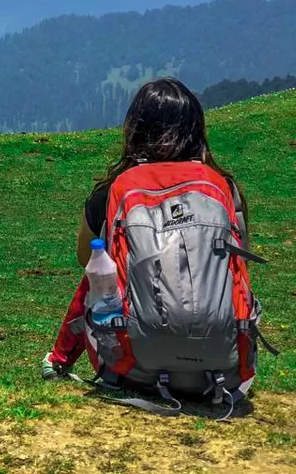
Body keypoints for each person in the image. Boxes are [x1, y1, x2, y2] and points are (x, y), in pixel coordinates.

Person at [41, 77, 248, 380]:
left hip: (132, 366)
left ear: (134, 130)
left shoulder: (112, 193)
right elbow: (241, 261)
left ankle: (58, 360)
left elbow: (85, 259)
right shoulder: (225, 191)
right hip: (222, 364)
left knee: (101, 273)